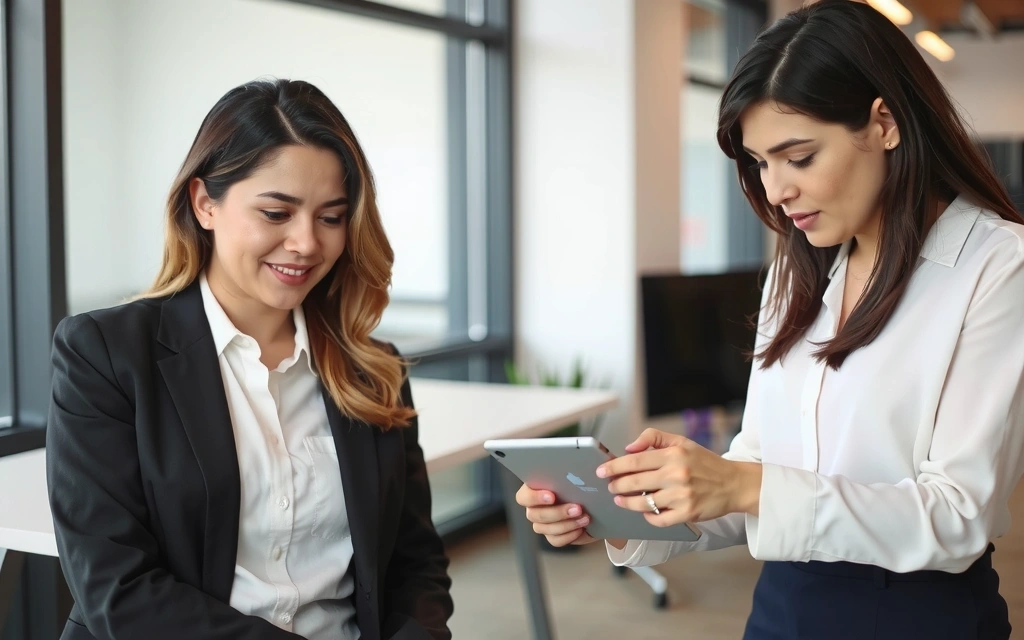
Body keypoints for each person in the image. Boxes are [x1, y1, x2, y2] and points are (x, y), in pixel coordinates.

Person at [517, 1, 1024, 638]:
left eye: (799, 157)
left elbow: (958, 517)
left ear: (885, 123)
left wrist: (744, 485)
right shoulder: (797, 269)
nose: (777, 191)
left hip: (918, 616)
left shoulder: (997, 265)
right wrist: (625, 510)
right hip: (782, 607)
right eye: (760, 163)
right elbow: (758, 469)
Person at [46, 78, 453, 640]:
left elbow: (414, 564)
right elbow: (117, 588)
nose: (306, 243)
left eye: (331, 217)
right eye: (276, 213)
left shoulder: (372, 369)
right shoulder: (105, 354)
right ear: (204, 204)